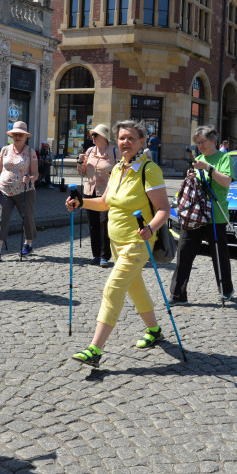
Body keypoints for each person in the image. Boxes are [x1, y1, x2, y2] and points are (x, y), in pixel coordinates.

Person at [64, 120, 171, 367]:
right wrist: (81, 203)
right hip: (117, 242)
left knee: (112, 289)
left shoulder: (149, 170)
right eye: (122, 138)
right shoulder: (118, 169)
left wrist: (150, 228)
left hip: (138, 242)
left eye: (131, 138)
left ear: (142, 142)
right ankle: (154, 331)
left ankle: (95, 349)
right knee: (136, 289)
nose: (126, 142)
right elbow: (104, 202)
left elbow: (164, 209)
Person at [170, 125, 235, 302]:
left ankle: (226, 289)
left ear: (213, 141)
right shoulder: (196, 159)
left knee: (219, 255)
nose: (200, 146)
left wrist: (209, 168)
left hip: (216, 215)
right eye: (198, 143)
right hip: (195, 214)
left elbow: (226, 182)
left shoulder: (223, 158)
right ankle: (177, 294)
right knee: (184, 253)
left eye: (203, 142)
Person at [0, 120, 38, 262]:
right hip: (4, 190)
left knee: (27, 218)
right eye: (15, 134)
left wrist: (30, 178)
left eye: (20, 135)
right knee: (1, 220)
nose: (17, 137)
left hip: (25, 191)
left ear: (25, 137)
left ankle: (28, 244)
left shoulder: (30, 152)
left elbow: (36, 174)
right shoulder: (4, 150)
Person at [77, 124, 116, 267]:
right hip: (89, 191)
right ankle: (95, 255)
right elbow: (82, 172)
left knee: (104, 223)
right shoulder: (90, 151)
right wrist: (80, 162)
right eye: (92, 135)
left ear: (103, 137)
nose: (92, 137)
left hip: (106, 192)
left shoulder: (114, 152)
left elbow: (122, 170)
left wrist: (114, 175)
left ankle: (105, 255)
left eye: (95, 135)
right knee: (93, 224)